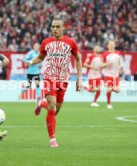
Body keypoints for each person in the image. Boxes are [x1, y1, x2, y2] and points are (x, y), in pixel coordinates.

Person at [26, 17, 83, 148]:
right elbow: (40, 57)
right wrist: (30, 62)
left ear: (64, 28)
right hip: (49, 77)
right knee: (52, 105)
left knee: (55, 110)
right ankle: (52, 139)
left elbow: (78, 59)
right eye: (53, 27)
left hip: (63, 79)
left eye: (57, 27)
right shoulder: (46, 42)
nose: (55, 29)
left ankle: (40, 102)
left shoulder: (71, 42)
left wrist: (79, 78)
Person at [102, 40, 123, 109]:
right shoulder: (105, 54)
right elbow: (101, 65)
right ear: (108, 46)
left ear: (114, 45)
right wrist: (106, 64)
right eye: (110, 44)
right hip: (108, 75)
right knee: (109, 90)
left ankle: (110, 89)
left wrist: (121, 68)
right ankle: (108, 104)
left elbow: (121, 63)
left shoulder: (118, 53)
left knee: (118, 90)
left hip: (115, 75)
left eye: (112, 44)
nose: (111, 46)